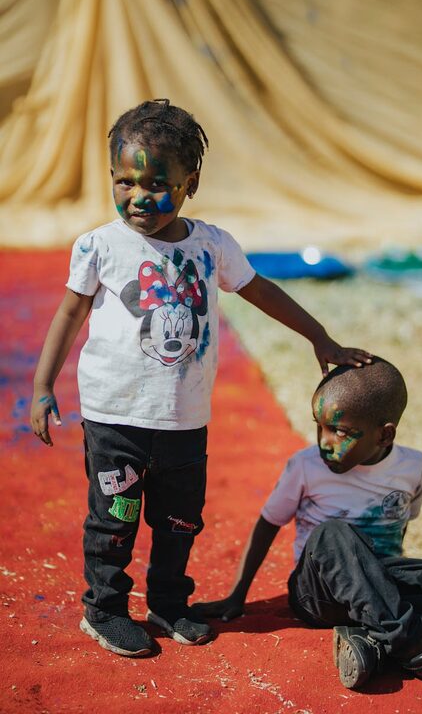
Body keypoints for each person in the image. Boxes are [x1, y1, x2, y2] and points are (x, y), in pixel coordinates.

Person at [30, 99, 372, 658]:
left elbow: (261, 291)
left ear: (190, 182)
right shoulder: (100, 246)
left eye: (156, 182)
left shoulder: (212, 245)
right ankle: (106, 608)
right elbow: (70, 314)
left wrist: (320, 337)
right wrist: (45, 385)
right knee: (114, 521)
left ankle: (168, 605)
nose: (139, 195)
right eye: (124, 180)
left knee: (179, 522)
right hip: (115, 417)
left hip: (184, 421)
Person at [194, 358, 422, 693]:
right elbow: (268, 525)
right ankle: (413, 649)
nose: (325, 441)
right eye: (319, 426)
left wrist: (386, 591)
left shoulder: (413, 467)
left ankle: (374, 644)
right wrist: (237, 595)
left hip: (382, 585)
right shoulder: (305, 467)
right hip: (319, 595)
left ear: (385, 435)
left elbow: (402, 526)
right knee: (333, 532)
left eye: (340, 431)